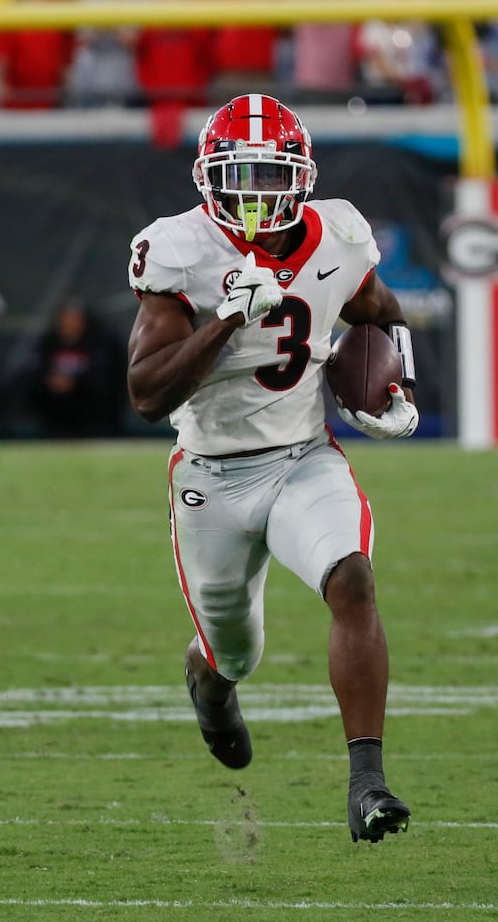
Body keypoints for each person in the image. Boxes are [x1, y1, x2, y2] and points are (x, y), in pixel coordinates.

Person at [125, 95, 419, 844]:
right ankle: (210, 683)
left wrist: (397, 386)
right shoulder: (179, 250)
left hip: (301, 458)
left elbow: (379, 311)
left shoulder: (339, 234)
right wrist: (228, 317)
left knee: (351, 577)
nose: (255, 194)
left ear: (302, 177)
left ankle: (367, 784)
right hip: (211, 477)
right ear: (208, 178)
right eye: (240, 176)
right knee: (234, 650)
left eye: (270, 175)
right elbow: (145, 393)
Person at [25, 299, 120, 439]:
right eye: (66, 318)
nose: (70, 323)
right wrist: (50, 380)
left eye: (75, 318)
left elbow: (105, 379)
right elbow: (33, 370)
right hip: (52, 412)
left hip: (89, 414)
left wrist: (75, 382)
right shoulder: (48, 343)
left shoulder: (99, 344)